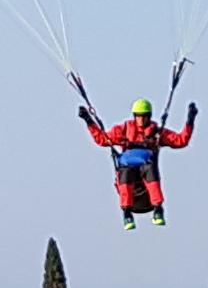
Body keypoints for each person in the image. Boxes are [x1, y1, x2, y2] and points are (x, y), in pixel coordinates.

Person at [80, 94, 196, 229]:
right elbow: (101, 139)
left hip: (147, 190)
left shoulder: (157, 133)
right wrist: (88, 120)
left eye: (145, 115)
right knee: (125, 170)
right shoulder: (123, 130)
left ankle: (158, 209)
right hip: (131, 187)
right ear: (134, 116)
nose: (142, 119)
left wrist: (190, 120)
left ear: (150, 116)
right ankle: (127, 214)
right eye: (139, 115)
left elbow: (181, 141)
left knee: (149, 167)